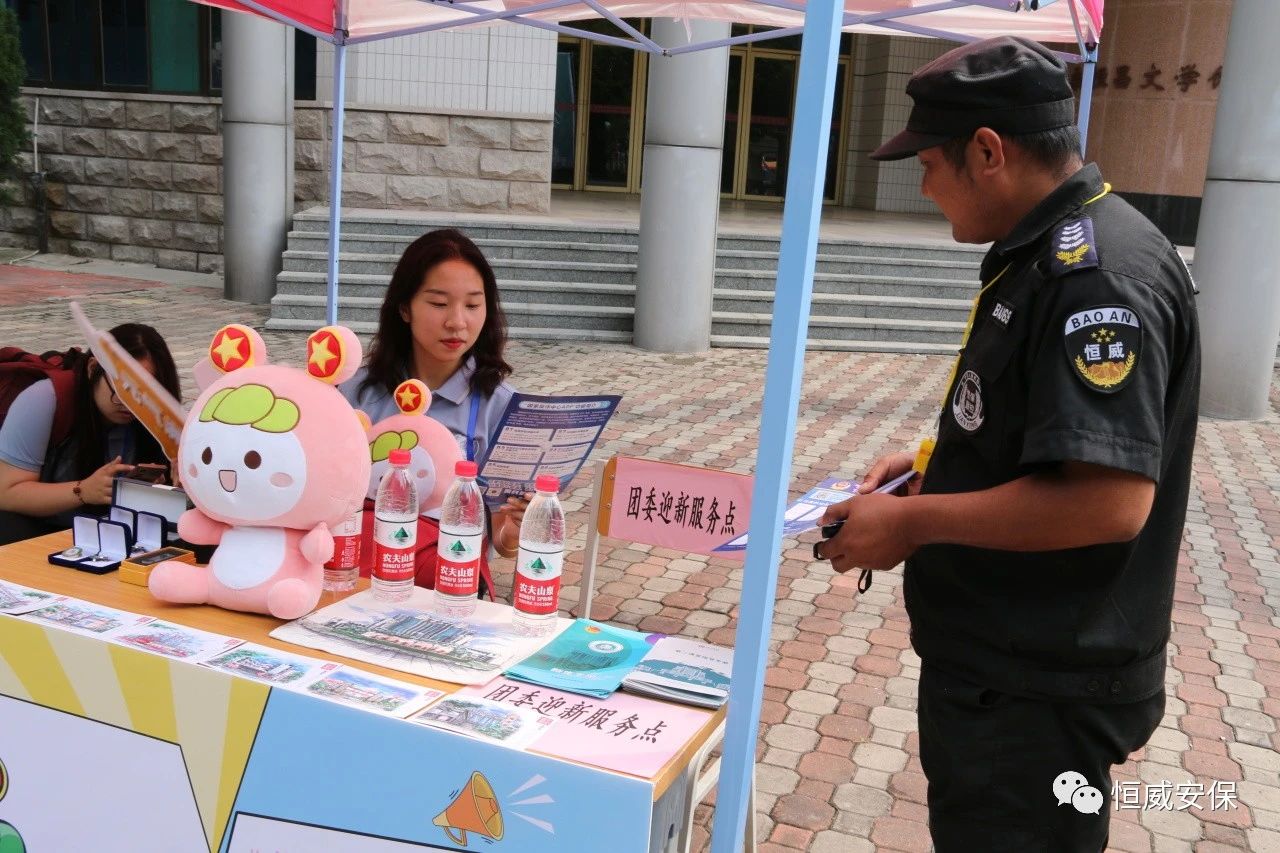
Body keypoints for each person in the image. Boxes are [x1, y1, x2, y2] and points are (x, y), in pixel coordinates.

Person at [816, 37, 1200, 853]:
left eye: (929, 163)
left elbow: (1109, 500)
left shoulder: (1095, 276)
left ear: (988, 151)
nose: (923, 185)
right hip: (1012, 669)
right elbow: (1037, 427)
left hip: (1036, 689)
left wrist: (912, 524)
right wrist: (933, 468)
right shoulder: (1051, 249)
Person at [342, 228, 524, 593]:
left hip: (450, 590)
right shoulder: (352, 394)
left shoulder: (503, 407)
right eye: (439, 304)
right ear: (404, 308)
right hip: (356, 581)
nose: (457, 322)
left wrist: (515, 528)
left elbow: (502, 542)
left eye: (473, 305)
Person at [0, 324, 182, 546]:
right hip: (38, 527)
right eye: (123, 389)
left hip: (107, 532)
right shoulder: (43, 400)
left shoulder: (156, 415)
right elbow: (6, 493)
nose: (130, 403)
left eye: (145, 393)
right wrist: (83, 490)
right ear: (93, 368)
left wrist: (168, 487)